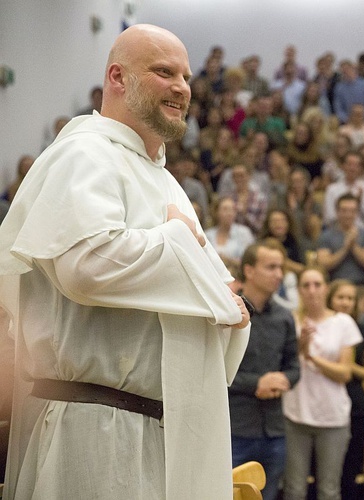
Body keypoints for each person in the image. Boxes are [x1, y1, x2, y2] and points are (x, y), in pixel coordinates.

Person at [0, 24, 251, 499]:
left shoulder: (163, 178)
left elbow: (207, 290)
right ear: (118, 77)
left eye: (186, 76)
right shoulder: (86, 153)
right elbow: (86, 266)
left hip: (155, 426)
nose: (182, 87)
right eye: (164, 72)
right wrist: (178, 239)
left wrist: (227, 312)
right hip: (96, 427)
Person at [282, 267, 362, 500]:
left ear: (326, 288)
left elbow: (345, 373)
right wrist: (299, 348)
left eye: (317, 284)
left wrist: (310, 356)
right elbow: (282, 363)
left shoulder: (342, 322)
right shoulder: (290, 321)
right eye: (306, 285)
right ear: (298, 291)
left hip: (332, 417)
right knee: (294, 489)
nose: (312, 290)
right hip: (295, 414)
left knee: (328, 490)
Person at [229, 240, 300, 500]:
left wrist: (284, 379)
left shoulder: (284, 317)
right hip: (236, 428)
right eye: (271, 267)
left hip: (274, 430)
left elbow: (294, 368)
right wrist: (257, 383)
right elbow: (216, 372)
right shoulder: (228, 312)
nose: (279, 274)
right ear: (249, 270)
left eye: (280, 267)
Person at [326, 279, 364, 500]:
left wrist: (346, 366)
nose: (346, 303)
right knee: (326, 467)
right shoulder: (322, 325)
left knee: (352, 463)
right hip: (325, 399)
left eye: (350, 298)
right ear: (330, 299)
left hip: (355, 401)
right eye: (341, 297)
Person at [317, 193, 364, 286]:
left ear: (357, 212)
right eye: (344, 210)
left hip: (361, 285)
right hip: (334, 285)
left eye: (352, 211)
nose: (348, 214)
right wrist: (345, 248)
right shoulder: (326, 236)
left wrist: (354, 245)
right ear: (337, 211)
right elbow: (323, 264)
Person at [205, 196, 256, 268]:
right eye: (225, 209)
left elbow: (250, 261)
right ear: (216, 212)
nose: (229, 213)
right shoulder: (208, 235)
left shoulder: (244, 233)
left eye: (233, 209)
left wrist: (228, 260)